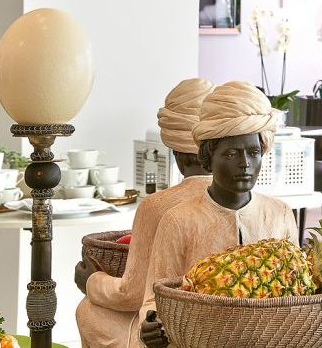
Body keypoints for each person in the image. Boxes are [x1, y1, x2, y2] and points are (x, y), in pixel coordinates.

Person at [138, 81, 296, 348]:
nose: (245, 164)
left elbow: (296, 287)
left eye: (254, 152)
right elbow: (154, 298)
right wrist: (150, 325)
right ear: (208, 159)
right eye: (232, 154)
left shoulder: (279, 213)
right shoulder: (178, 220)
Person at [75, 78, 216, 348]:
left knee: (88, 311)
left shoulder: (157, 206)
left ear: (176, 153)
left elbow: (132, 294)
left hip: (168, 333)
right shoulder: (251, 203)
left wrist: (91, 281)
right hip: (227, 326)